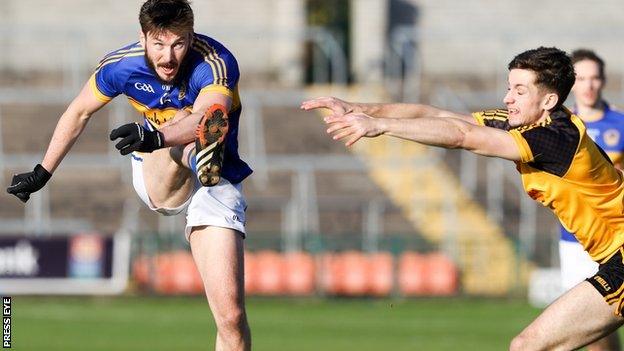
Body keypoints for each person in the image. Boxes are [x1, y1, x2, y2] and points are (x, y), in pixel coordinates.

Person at [302, 46, 624, 350]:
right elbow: (437, 115)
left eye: (519, 91)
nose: (507, 98)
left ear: (549, 100)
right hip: (613, 257)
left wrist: (380, 126)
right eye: (509, 87)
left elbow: (462, 136)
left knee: (528, 345)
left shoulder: (553, 138)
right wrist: (360, 109)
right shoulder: (530, 123)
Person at [6, 1, 252, 349]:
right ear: (143, 38)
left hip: (215, 178)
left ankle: (201, 155)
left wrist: (155, 135)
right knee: (191, 137)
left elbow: (210, 115)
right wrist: (42, 171)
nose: (169, 56)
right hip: (159, 168)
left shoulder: (214, 61)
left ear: (191, 37)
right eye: (159, 44)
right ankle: (196, 154)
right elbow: (78, 113)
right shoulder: (121, 65)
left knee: (231, 318)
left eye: (179, 43)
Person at [558, 48, 624, 351]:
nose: (589, 85)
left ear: (604, 80)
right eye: (581, 78)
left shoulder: (620, 124)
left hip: (616, 239)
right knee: (594, 329)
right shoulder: (560, 127)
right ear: (570, 83)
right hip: (575, 241)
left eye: (595, 77)